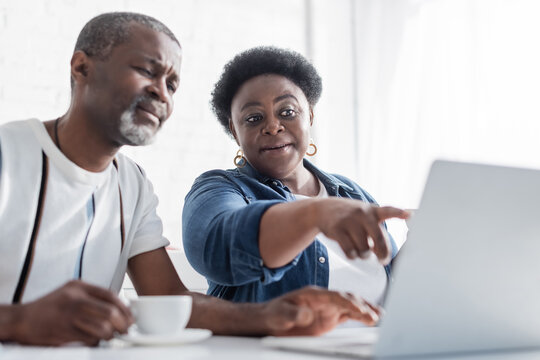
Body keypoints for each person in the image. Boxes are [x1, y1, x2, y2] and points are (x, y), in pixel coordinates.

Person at [0, 13, 381, 346]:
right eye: (147, 71)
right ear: (81, 68)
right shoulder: (7, 153)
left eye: (172, 83)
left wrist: (273, 316)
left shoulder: (132, 186)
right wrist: (19, 321)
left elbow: (168, 298)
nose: (161, 92)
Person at [182, 47, 409, 307]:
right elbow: (217, 249)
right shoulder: (219, 188)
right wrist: (314, 214)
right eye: (254, 118)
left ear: (309, 115)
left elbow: (389, 283)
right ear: (235, 130)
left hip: (371, 345)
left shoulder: (352, 192)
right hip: (275, 349)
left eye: (287, 112)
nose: (272, 126)